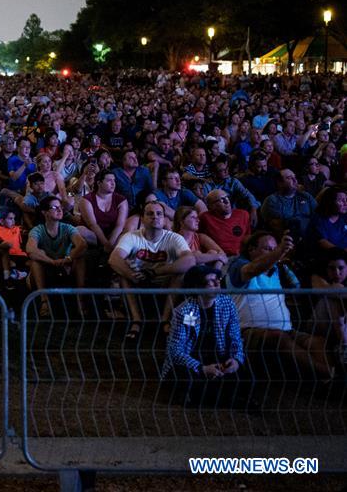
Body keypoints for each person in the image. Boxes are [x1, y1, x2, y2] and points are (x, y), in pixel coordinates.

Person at [228, 231, 333, 380]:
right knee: (278, 337)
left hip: (286, 330)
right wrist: (279, 252)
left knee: (318, 342)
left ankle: (325, 382)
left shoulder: (278, 270)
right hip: (249, 332)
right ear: (251, 249)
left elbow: (296, 287)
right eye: (268, 249)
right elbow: (252, 269)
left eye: (274, 249)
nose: (273, 253)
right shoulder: (238, 265)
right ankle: (331, 374)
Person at [161, 265, 248, 409]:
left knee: (243, 370)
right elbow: (175, 350)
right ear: (197, 287)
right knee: (185, 376)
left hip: (218, 356)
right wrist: (202, 368)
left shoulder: (228, 304)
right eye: (210, 281)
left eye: (217, 279)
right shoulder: (183, 311)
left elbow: (235, 338)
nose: (217, 283)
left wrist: (236, 360)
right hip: (192, 359)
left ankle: (213, 396)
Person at [109, 201, 195, 340]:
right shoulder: (131, 236)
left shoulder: (174, 238)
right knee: (123, 274)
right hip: (138, 281)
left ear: (165, 219)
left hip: (164, 282)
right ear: (142, 219)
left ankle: (165, 320)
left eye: (159, 214)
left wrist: (156, 272)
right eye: (150, 214)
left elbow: (190, 260)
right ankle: (136, 320)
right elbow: (114, 258)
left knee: (181, 273)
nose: (155, 216)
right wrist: (133, 275)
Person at [26, 196, 87, 315]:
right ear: (44, 212)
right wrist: (51, 261)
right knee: (35, 260)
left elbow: (82, 244)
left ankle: (81, 299)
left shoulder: (67, 228)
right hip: (47, 267)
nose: (59, 210)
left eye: (60, 207)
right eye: (54, 207)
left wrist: (68, 258)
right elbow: (30, 249)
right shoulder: (38, 230)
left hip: (66, 265)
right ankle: (44, 301)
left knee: (80, 258)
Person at [259, 168, 317, 242]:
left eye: (294, 177)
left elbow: (318, 215)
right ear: (280, 183)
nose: (295, 180)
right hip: (287, 239)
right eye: (289, 178)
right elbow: (277, 226)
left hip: (311, 235)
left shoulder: (305, 196)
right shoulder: (272, 200)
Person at [78, 170, 128, 253]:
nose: (113, 183)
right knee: (79, 230)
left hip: (113, 234)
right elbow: (92, 224)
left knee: (126, 235)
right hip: (93, 234)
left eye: (114, 180)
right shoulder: (86, 200)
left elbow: (120, 225)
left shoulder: (121, 200)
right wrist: (105, 244)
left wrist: (110, 243)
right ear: (99, 183)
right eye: (109, 180)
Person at [198, 189, 251, 257]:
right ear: (211, 206)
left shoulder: (243, 214)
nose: (227, 201)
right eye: (221, 200)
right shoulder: (205, 217)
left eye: (227, 197)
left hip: (240, 257)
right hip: (219, 257)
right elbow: (197, 238)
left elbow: (247, 237)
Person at [308, 186, 347, 250]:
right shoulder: (318, 220)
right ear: (330, 202)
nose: (345, 203)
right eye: (340, 200)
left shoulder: (344, 216)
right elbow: (322, 242)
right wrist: (343, 252)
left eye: (346, 199)